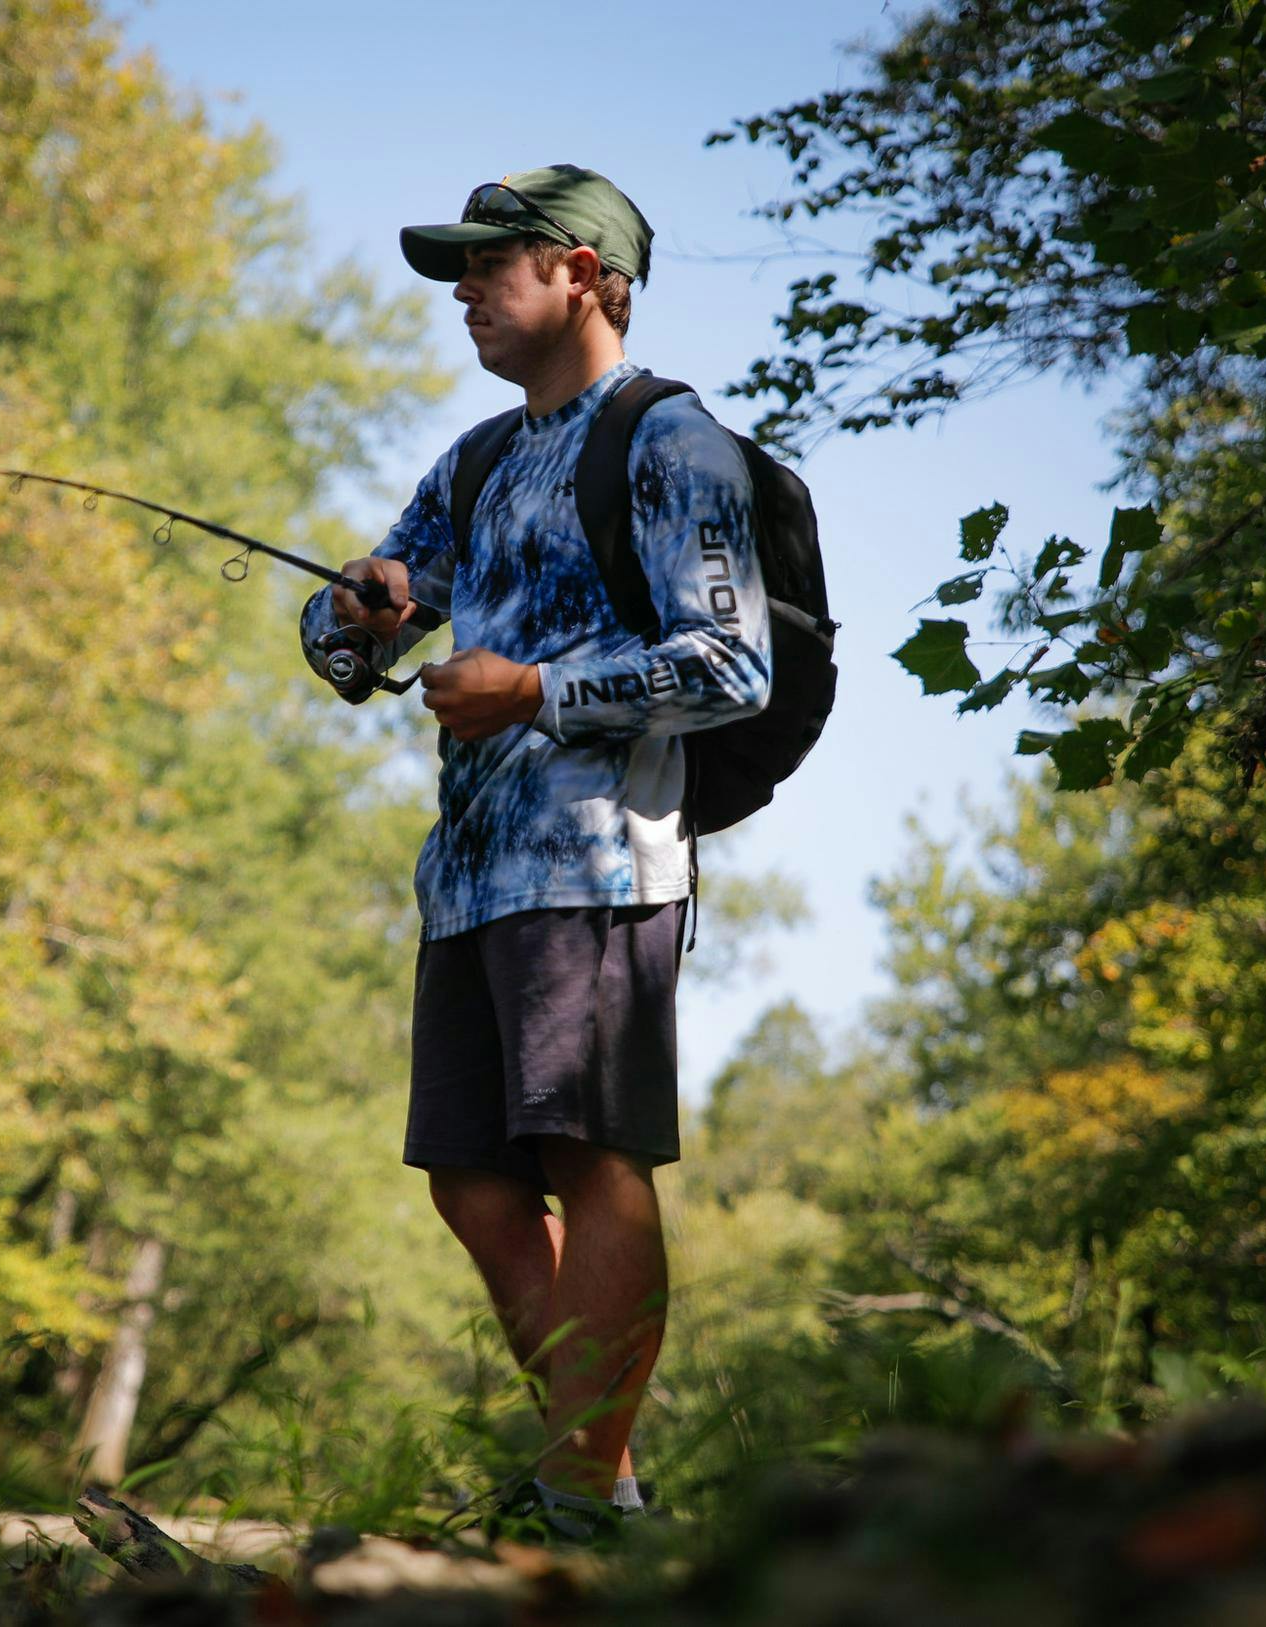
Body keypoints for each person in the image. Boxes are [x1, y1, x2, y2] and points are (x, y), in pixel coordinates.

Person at [299, 165, 772, 1540]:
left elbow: (732, 665)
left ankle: (576, 1493)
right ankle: (600, 1485)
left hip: (602, 866)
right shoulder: (480, 460)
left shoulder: (674, 444)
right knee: (473, 1181)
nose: (462, 291)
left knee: (588, 1158)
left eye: (488, 264)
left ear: (578, 269)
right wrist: (361, 614)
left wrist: (537, 693)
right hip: (468, 876)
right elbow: (345, 638)